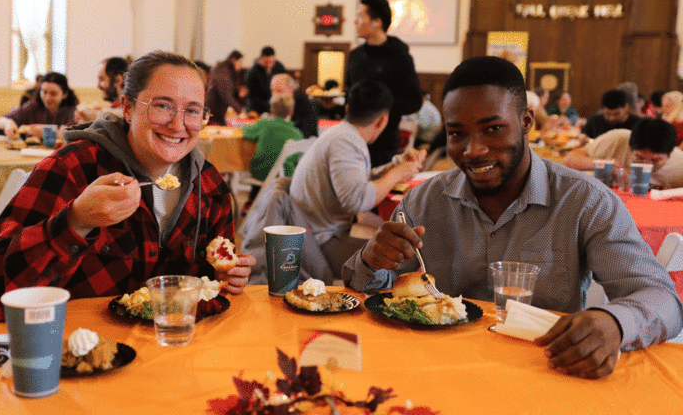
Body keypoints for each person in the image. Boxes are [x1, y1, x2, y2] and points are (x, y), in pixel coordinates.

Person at [343, 56, 682, 379]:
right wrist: (372, 262)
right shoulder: (424, 200)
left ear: (526, 122)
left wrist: (614, 322)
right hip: (441, 369)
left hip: (544, 371)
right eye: (457, 133)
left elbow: (663, 299)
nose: (473, 150)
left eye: (492, 129)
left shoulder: (585, 202)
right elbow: (371, 291)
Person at [0, 51, 256, 322]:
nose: (177, 125)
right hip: (76, 354)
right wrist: (76, 221)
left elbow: (209, 289)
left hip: (173, 355)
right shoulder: (72, 168)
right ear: (128, 108)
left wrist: (224, 277)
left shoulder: (209, 188)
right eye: (162, 106)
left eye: (192, 111)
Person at [290, 80, 425, 278]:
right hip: (318, 242)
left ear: (347, 108)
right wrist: (398, 173)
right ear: (382, 121)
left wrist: (394, 165)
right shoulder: (346, 141)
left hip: (313, 231)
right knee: (408, 262)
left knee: (399, 248)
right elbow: (357, 200)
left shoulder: (339, 133)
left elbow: (355, 181)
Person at [345, 0, 422, 167]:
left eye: (361, 16)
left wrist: (379, 105)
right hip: (351, 139)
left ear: (377, 22)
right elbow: (349, 91)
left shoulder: (399, 56)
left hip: (383, 142)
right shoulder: (355, 56)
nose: (355, 22)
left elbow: (414, 101)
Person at [563, 118, 683, 189]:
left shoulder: (680, 164)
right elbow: (568, 160)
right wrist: (603, 164)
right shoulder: (618, 138)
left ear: (670, 153)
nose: (646, 164)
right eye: (639, 157)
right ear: (630, 147)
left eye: (655, 160)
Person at [242, 95, 304, 197]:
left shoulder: (264, 124)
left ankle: (253, 201)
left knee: (263, 162)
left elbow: (246, 132)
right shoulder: (297, 133)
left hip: (262, 172)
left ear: (271, 110)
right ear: (291, 112)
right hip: (287, 174)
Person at [0, 71, 79, 139]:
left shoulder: (73, 111)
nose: (47, 98)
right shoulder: (33, 106)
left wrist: (46, 132)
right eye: (44, 92)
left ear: (65, 94)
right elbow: (0, 120)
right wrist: (8, 124)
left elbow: (73, 135)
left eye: (53, 94)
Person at [270, 73, 319, 138]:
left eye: (279, 91)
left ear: (291, 90)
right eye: (272, 91)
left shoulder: (307, 105)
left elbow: (309, 134)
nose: (274, 95)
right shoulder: (273, 103)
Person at [205, 50, 246, 125]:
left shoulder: (227, 71)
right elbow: (225, 94)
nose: (241, 65)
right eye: (240, 62)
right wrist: (240, 110)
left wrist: (237, 92)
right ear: (234, 60)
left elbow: (228, 89)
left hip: (218, 110)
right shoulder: (222, 71)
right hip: (214, 110)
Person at [246, 46, 286, 115]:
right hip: (257, 108)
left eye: (271, 62)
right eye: (266, 62)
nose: (269, 65)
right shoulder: (252, 71)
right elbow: (251, 94)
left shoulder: (279, 67)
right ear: (261, 59)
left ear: (274, 58)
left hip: (275, 107)